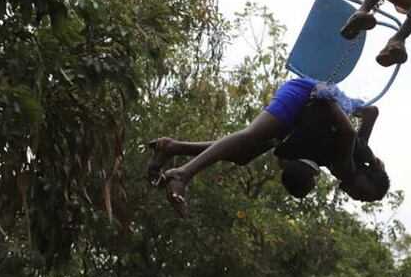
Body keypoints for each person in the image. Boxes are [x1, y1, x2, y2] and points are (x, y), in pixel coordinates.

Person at [146, 78, 389, 216]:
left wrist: (351, 107)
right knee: (250, 135)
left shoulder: (358, 156)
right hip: (305, 97)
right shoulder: (346, 167)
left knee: (243, 155)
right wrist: (329, 97)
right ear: (368, 175)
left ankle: (172, 147)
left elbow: (371, 113)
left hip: (300, 121)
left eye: (363, 201)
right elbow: (347, 131)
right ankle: (183, 173)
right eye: (365, 193)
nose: (358, 198)